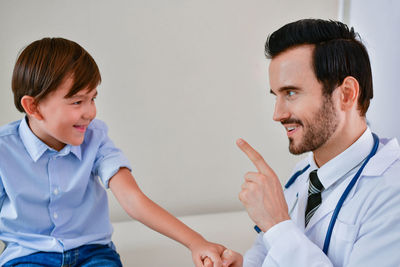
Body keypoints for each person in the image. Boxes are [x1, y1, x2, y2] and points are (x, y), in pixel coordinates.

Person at [0, 37, 238, 267]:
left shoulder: (95, 137)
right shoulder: (4, 150)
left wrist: (196, 243)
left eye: (92, 98)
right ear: (33, 107)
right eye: (77, 102)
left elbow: (133, 199)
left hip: (92, 254)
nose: (90, 112)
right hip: (28, 256)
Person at [235, 19, 400, 266]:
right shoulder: (304, 174)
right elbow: (268, 250)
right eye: (276, 95)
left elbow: (280, 234)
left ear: (346, 94)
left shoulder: (391, 195)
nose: (277, 114)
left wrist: (278, 225)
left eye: (291, 93)